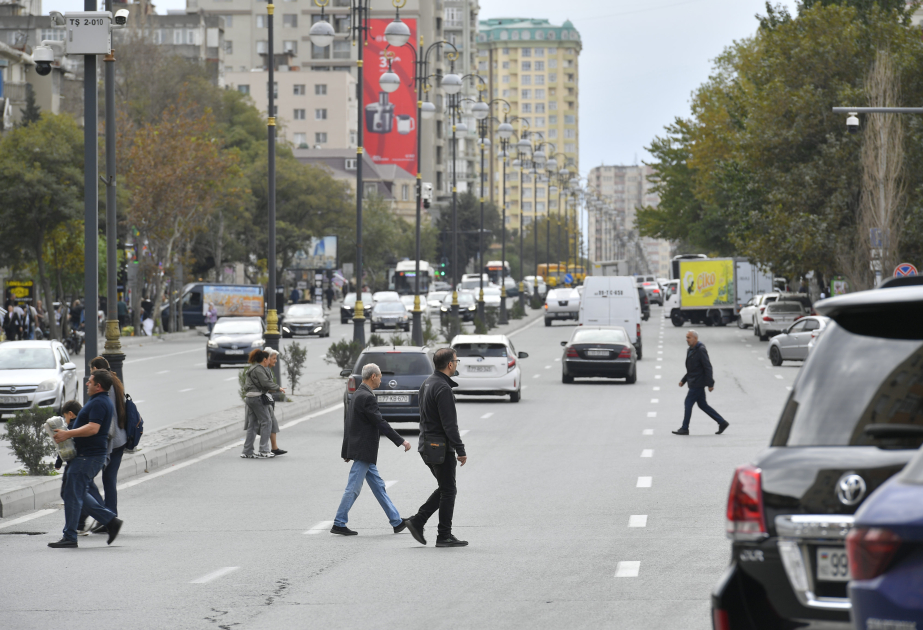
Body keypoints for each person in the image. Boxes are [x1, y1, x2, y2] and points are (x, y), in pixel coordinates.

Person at [331, 362, 412, 536]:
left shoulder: (358, 394)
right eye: (380, 377)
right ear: (373, 376)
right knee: (353, 487)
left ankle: (396, 521)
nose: (381, 380)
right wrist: (401, 441)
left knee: (379, 487)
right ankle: (339, 522)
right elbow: (380, 422)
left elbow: (349, 424)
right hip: (364, 451)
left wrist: (347, 450)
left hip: (362, 450)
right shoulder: (366, 397)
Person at [49, 370, 124, 548]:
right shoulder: (98, 400)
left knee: (74, 494)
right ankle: (110, 521)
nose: (86, 383)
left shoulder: (99, 402)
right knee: (73, 492)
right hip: (85, 456)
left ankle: (70, 536)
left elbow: (93, 428)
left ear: (98, 386)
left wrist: (68, 434)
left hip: (88, 457)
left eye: (90, 381)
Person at [405, 347, 468, 548]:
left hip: (426, 445)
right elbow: (449, 424)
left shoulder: (427, 383)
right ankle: (443, 535)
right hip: (439, 448)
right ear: (450, 364)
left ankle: (418, 521)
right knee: (449, 490)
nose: (457, 364)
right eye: (456, 361)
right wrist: (460, 449)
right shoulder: (442, 388)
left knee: (445, 488)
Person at [82, 357, 128, 533]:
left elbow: (105, 420)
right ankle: (109, 516)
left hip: (110, 440)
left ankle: (106, 517)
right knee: (109, 480)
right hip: (120, 438)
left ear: (95, 369)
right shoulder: (116, 383)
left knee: (87, 480)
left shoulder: (105, 389)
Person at [673, 330, 729, 436]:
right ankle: (722, 422)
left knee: (688, 403)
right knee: (703, 405)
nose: (687, 339)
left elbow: (707, 367)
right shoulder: (691, 350)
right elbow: (692, 369)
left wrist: (710, 383)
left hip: (697, 383)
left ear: (695, 338)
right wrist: (683, 380)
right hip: (693, 381)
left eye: (689, 337)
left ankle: (685, 428)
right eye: (686, 337)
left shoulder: (701, 350)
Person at [241, 349, 284, 459]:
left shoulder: (252, 368)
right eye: (269, 359)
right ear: (265, 360)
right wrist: (278, 388)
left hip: (250, 398)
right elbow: (265, 382)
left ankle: (247, 451)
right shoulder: (259, 369)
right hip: (257, 398)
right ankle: (264, 450)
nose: (269, 361)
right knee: (267, 421)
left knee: (253, 425)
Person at [265, 348, 286, 456]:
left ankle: (274, 447)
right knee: (264, 424)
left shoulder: (268, 370)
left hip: (268, 400)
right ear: (267, 358)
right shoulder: (263, 369)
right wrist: (276, 388)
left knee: (272, 423)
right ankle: (262, 449)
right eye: (273, 358)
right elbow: (266, 386)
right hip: (263, 401)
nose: (275, 361)